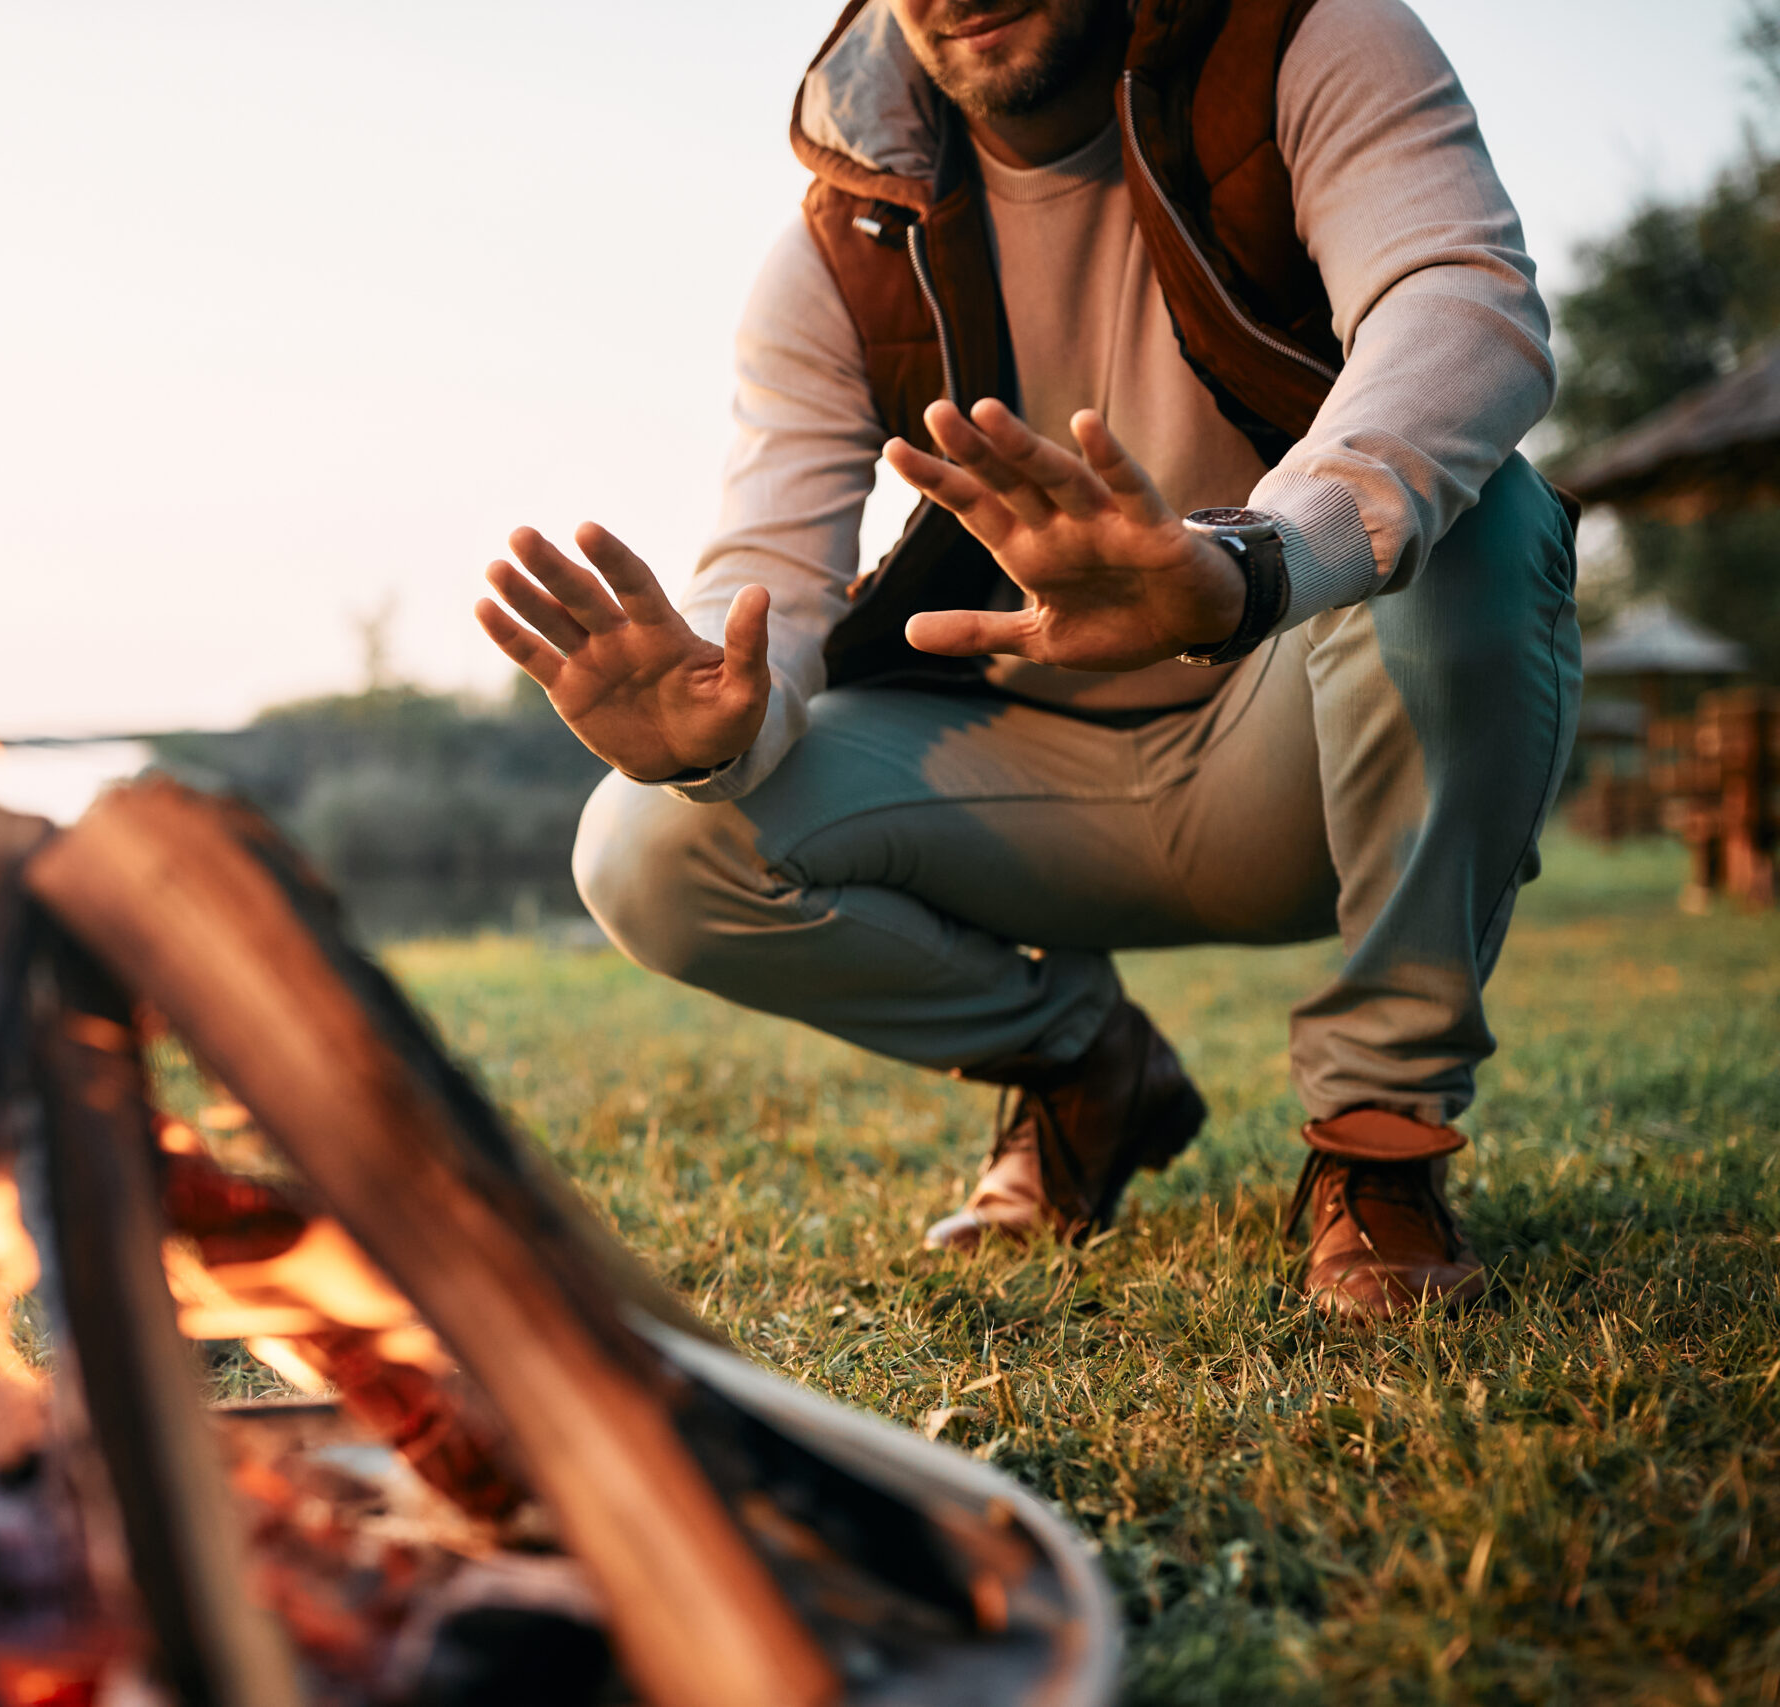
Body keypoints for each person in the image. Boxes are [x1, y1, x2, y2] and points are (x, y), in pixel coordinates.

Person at [471, 0, 1579, 1319]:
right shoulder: (843, 237)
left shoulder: (1306, 40)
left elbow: (1460, 306)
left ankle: (1378, 1147)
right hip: (1032, 780)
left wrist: (1248, 566)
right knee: (645, 845)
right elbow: (770, 572)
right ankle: (1086, 1070)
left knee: (1485, 515)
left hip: (1307, 736)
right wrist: (715, 713)